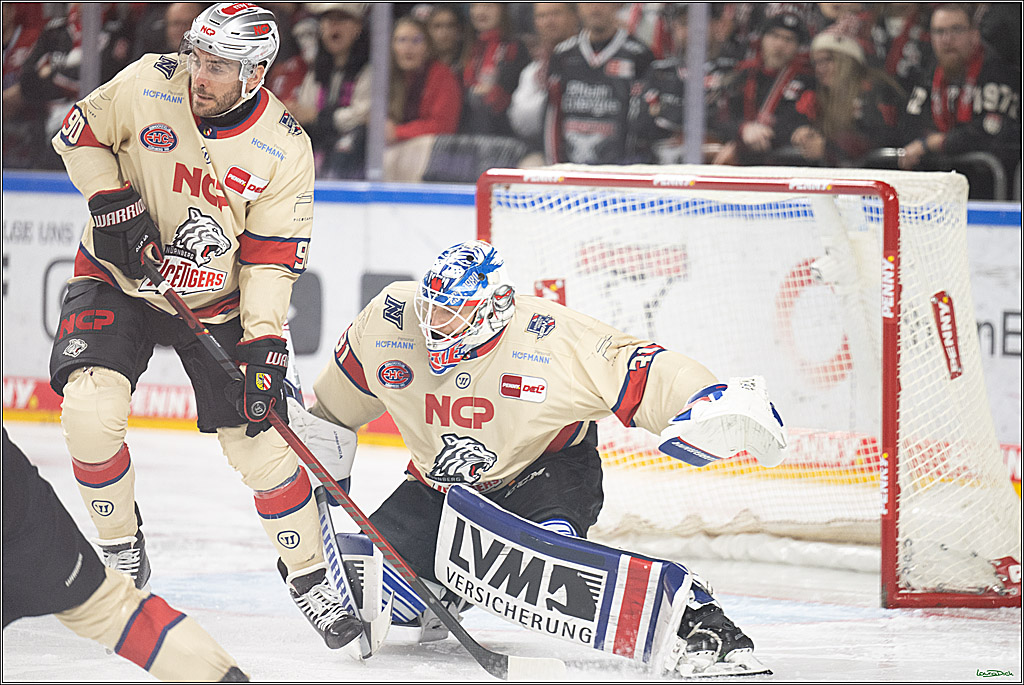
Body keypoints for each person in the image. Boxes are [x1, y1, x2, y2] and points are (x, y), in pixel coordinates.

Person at [299, 240, 787, 677]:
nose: (434, 325)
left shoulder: (551, 337)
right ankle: (446, 584)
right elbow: (332, 414)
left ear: (497, 307)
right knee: (357, 582)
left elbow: (644, 369)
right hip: (440, 488)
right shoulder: (388, 321)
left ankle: (696, 618)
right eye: (431, 309)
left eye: (454, 313)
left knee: (544, 568)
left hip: (546, 476)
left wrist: (705, 396)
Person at [47, 2, 361, 652]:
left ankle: (307, 575)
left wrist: (265, 341)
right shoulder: (146, 81)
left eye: (218, 65)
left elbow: (273, 257)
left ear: (256, 73)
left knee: (262, 447)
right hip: (118, 274)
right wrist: (111, 200)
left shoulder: (284, 146)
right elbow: (77, 134)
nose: (200, 74)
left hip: (215, 304)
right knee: (88, 409)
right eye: (197, 56)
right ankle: (121, 544)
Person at [3, 427, 248, 682]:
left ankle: (122, 544)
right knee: (106, 606)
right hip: (15, 498)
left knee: (104, 604)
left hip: (16, 505)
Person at [897, 3, 1021, 199]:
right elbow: (908, 128)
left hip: (989, 194)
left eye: (956, 30)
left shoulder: (998, 73)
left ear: (974, 34)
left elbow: (991, 134)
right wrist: (932, 142)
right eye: (939, 32)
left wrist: (935, 143)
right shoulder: (929, 76)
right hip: (936, 193)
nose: (947, 39)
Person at [268, 3, 371, 179]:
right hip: (319, 142)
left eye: (341, 20)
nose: (333, 26)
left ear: (358, 28)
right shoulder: (318, 69)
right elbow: (307, 107)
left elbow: (363, 115)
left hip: (353, 153)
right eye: (328, 20)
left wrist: (319, 116)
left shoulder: (369, 70)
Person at [544, 2, 655, 165]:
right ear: (578, 7)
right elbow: (552, 116)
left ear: (617, 6)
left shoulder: (639, 54)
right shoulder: (562, 55)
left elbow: (644, 120)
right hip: (570, 169)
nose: (595, 8)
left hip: (620, 170)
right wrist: (553, 165)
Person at [790, 18, 905, 166]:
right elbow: (793, 117)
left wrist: (828, 149)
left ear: (847, 60)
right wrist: (803, 132)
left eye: (827, 60)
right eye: (816, 63)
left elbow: (880, 137)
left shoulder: (876, 89)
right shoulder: (821, 95)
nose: (819, 69)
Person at [710, 9, 815, 166]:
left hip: (783, 165)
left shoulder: (807, 82)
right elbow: (717, 117)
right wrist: (743, 129)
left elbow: (798, 123)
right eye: (775, 36)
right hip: (738, 162)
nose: (780, 44)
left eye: (789, 39)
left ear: (798, 47)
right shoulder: (742, 74)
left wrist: (751, 138)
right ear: (762, 38)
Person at [384, 16, 462, 182]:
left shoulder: (443, 76)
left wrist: (396, 132)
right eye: (402, 40)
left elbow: (443, 126)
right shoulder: (386, 78)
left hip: (432, 153)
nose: (408, 48)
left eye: (416, 41)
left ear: (427, 47)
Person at [507, 2, 579, 161]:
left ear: (574, 16)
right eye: (542, 16)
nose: (548, 21)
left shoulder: (587, 61)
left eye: (555, 13)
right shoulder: (533, 70)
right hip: (542, 151)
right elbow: (521, 121)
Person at [458, 3, 530, 137]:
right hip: (467, 132)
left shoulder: (515, 47)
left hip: (503, 132)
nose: (481, 11)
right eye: (475, 5)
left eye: (489, 5)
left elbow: (509, 91)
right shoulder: (464, 46)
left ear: (503, 9)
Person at [131, 2, 205, 61]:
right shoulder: (152, 59)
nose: (181, 29)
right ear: (166, 26)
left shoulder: (207, 61)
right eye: (176, 23)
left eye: (187, 23)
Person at [426, 3, 466, 71]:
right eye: (437, 26)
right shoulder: (422, 67)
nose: (444, 32)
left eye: (450, 25)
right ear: (428, 30)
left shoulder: (470, 62)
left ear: (460, 29)